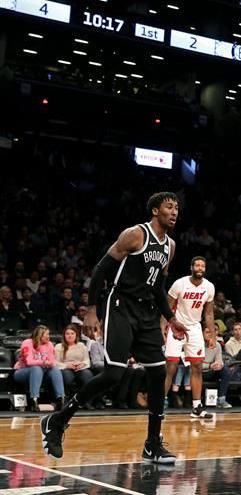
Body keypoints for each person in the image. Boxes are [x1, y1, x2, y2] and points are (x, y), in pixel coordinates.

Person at [41, 192, 185, 463]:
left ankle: (152, 444)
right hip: (120, 305)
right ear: (155, 210)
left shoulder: (171, 246)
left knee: (158, 375)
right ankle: (57, 421)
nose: (175, 211)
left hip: (146, 313)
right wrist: (92, 311)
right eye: (169, 207)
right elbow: (100, 270)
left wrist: (171, 317)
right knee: (114, 374)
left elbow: (158, 287)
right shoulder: (135, 235)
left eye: (177, 208)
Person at [162, 256, 216, 419]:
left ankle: (196, 407)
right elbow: (167, 306)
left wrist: (212, 334)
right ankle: (160, 403)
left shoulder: (209, 287)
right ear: (191, 267)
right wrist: (162, 328)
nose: (200, 268)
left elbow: (208, 312)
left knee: (197, 366)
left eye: (202, 266)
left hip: (194, 328)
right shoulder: (180, 283)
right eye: (197, 265)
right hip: (176, 326)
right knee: (171, 366)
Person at [14, 325, 65, 411]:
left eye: (49, 334)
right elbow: (29, 362)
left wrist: (49, 363)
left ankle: (61, 399)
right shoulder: (27, 343)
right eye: (47, 334)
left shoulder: (49, 345)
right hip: (22, 371)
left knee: (55, 370)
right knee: (36, 368)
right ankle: (34, 399)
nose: (49, 336)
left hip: (42, 371)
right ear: (40, 335)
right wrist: (43, 363)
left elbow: (52, 361)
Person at [55, 324, 93, 399]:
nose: (70, 336)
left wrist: (83, 364)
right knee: (68, 377)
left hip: (80, 368)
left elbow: (87, 359)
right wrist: (66, 365)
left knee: (87, 375)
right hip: (65, 368)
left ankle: (86, 399)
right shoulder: (59, 346)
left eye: (72, 333)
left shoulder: (81, 345)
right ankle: (66, 398)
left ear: (76, 335)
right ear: (64, 335)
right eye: (67, 334)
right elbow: (55, 362)